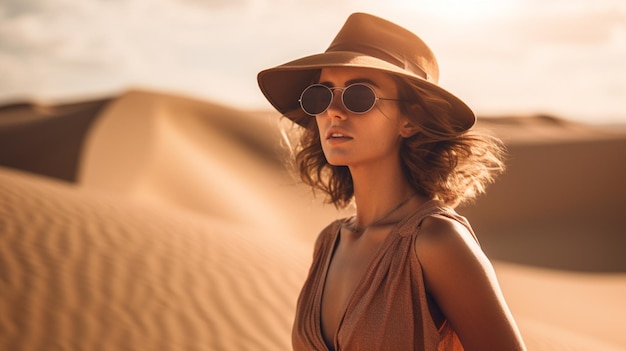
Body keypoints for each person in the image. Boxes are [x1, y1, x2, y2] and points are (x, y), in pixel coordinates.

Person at [257, 12, 527, 351]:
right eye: (320, 96)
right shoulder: (329, 242)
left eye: (358, 96)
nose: (334, 112)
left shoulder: (437, 242)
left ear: (409, 121)